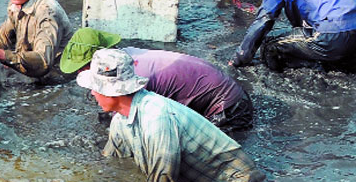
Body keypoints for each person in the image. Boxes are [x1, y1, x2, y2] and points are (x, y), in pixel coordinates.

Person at [77, 49, 265, 182]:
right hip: (202, 181)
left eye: (95, 88)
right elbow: (110, 163)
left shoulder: (156, 116)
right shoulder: (120, 120)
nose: (92, 94)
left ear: (111, 91)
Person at [61, 28, 253, 131]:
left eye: (84, 68)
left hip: (229, 109)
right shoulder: (126, 58)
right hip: (227, 92)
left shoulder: (135, 78)